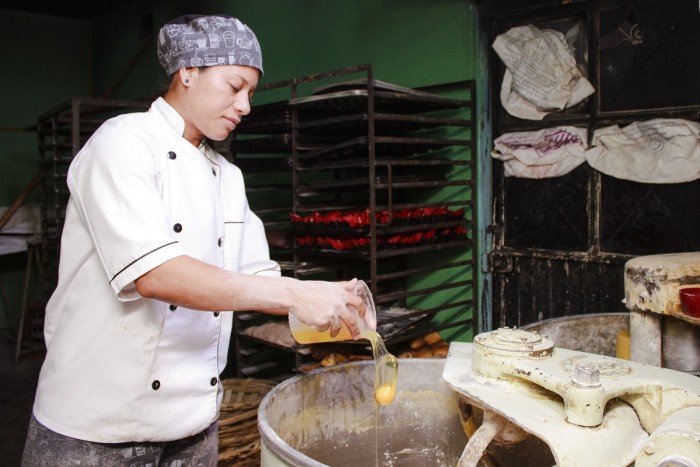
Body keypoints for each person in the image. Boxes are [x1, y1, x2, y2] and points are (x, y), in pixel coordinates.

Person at [22, 14, 365, 466]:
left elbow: (254, 274)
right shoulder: (123, 143)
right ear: (188, 72)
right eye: (234, 86)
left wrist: (332, 301)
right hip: (97, 422)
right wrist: (295, 293)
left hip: (192, 423)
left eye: (250, 94)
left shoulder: (227, 175)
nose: (245, 106)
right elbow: (156, 274)